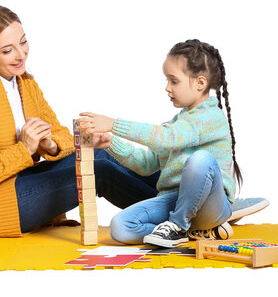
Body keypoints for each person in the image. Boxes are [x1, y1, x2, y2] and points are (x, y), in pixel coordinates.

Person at [0, 5, 267, 238]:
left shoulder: (24, 85)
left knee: (127, 159)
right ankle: (195, 212)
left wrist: (49, 144)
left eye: (23, 42)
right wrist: (26, 149)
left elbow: (60, 134)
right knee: (102, 165)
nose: (21, 55)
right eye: (7, 51)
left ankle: (192, 206)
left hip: (20, 188)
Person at [78, 39, 256, 247]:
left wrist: (113, 124)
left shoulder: (210, 117)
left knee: (201, 160)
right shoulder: (177, 123)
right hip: (176, 201)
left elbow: (167, 138)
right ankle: (189, 231)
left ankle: (178, 226)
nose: (167, 87)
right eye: (167, 80)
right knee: (120, 226)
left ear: (200, 83)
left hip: (210, 205)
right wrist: (111, 143)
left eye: (174, 81)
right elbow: (147, 165)